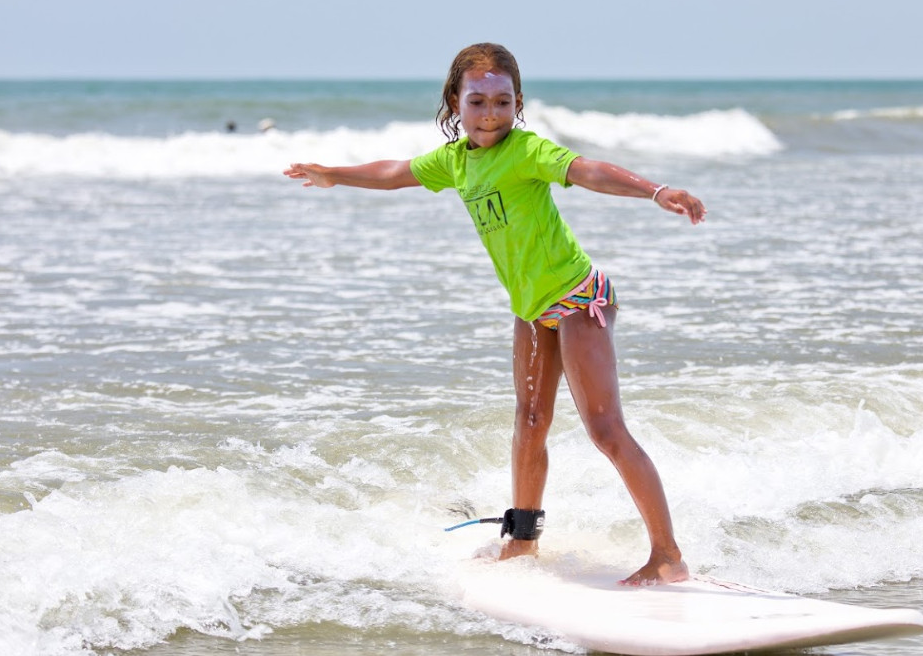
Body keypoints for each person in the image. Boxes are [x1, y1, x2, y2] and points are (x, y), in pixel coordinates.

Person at [283, 43, 706, 585]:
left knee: (604, 429)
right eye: (478, 101)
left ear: (518, 103)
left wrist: (656, 191)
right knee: (529, 422)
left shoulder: (527, 150)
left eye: (502, 102)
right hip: (531, 309)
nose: (490, 114)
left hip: (580, 298)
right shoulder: (456, 161)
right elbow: (396, 171)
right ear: (454, 103)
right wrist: (334, 174)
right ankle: (523, 541)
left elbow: (587, 170)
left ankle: (667, 556)